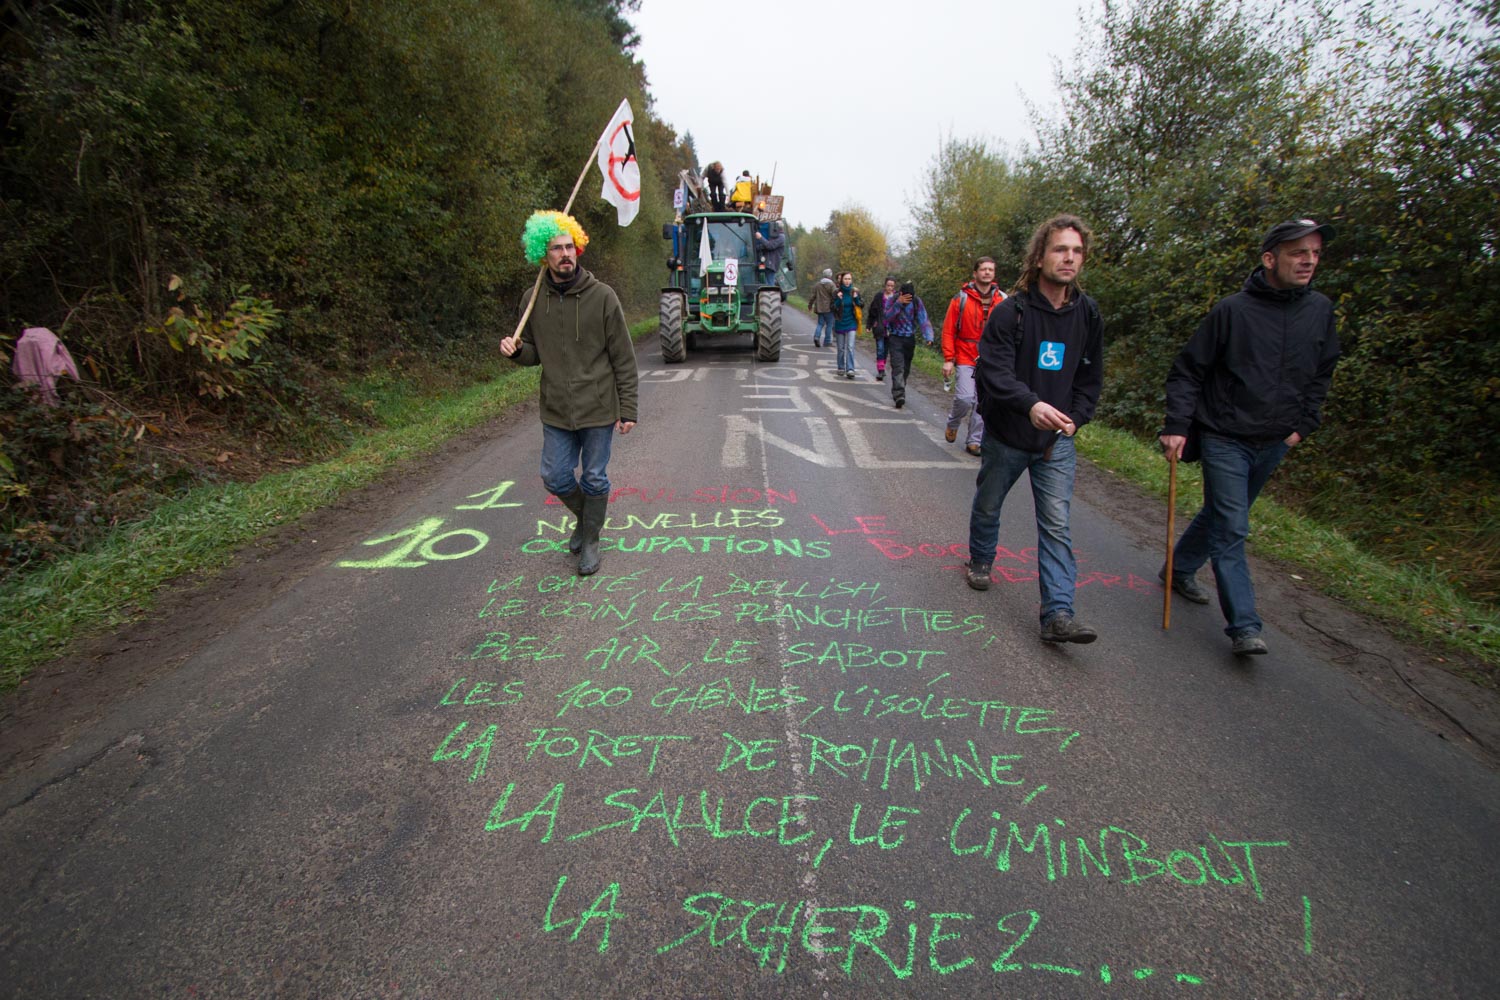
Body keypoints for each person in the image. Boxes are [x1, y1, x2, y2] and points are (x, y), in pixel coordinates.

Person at [1160, 218, 1341, 656]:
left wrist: (1304, 425)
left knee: (1224, 516)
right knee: (1233, 526)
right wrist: (1177, 426)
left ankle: (1178, 569)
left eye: (1315, 253)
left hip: (1277, 438)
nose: (1309, 260)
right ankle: (1244, 624)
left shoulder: (1319, 310)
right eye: (1299, 252)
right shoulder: (1232, 311)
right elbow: (1189, 371)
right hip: (1226, 435)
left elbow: (1323, 370)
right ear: (1269, 258)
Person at [966, 214, 1103, 645]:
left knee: (1057, 524)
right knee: (989, 505)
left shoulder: (1088, 313)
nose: (1069, 258)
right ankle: (981, 559)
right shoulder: (1013, 312)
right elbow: (994, 372)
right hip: (1008, 435)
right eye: (1061, 249)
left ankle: (1058, 614)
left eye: (1077, 251)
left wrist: (1076, 418)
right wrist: (1032, 406)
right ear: (1040, 255)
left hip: (1056, 443)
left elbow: (1090, 378)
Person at [501, 210, 638, 577]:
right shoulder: (533, 298)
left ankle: (590, 540)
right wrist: (517, 352)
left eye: (570, 247)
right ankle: (587, 520)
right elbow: (532, 353)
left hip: (597, 407)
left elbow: (623, 358)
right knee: (556, 476)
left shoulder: (603, 297)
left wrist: (629, 409)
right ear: (542, 256)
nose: (565, 254)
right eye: (556, 249)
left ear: (578, 249)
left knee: (594, 477)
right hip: (557, 408)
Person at [942, 257, 1004, 456]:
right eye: (983, 269)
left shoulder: (1002, 300)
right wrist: (949, 359)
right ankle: (953, 423)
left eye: (991, 270)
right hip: (966, 355)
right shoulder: (961, 298)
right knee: (965, 397)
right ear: (975, 273)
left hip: (991, 357)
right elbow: (949, 330)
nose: (987, 272)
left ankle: (974, 441)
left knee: (982, 402)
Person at [881, 281, 933, 408]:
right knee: (897, 366)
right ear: (901, 293)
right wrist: (899, 304)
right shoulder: (893, 300)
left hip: (909, 339)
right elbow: (886, 318)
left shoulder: (916, 302)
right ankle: (899, 395)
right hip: (895, 338)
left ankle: (900, 386)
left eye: (910, 297)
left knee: (906, 368)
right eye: (906, 297)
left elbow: (923, 319)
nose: (908, 299)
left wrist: (929, 336)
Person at [830, 271, 863, 379]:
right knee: (841, 348)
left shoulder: (855, 291)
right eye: (845, 279)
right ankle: (840, 367)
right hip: (840, 322)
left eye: (849, 279)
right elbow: (832, 307)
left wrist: (856, 298)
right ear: (841, 280)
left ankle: (850, 369)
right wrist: (839, 300)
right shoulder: (836, 292)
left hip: (851, 322)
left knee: (850, 347)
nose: (847, 281)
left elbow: (861, 304)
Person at [866, 276, 898, 381]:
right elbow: (872, 311)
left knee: (886, 350)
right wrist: (869, 325)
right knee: (880, 348)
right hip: (879, 326)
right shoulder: (879, 296)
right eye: (888, 285)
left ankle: (882, 365)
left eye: (892, 286)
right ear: (885, 285)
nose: (890, 288)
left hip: (891, 328)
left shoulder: (897, 297)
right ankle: (881, 370)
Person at [809, 268, 836, 347]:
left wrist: (810, 305)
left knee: (820, 324)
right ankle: (827, 341)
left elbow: (813, 296)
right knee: (829, 325)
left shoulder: (818, 284)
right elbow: (834, 295)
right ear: (830, 275)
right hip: (829, 308)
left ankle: (816, 337)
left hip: (819, 308)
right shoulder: (831, 284)